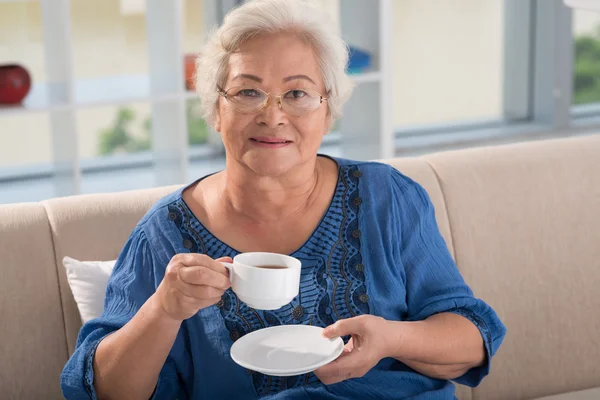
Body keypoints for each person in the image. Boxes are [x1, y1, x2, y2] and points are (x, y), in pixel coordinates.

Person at [60, 0, 506, 398]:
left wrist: (392, 339)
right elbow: (101, 391)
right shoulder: (166, 233)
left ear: (328, 110)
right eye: (248, 91)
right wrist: (162, 310)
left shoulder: (388, 199)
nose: (272, 115)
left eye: (297, 93)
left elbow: (472, 339)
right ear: (216, 109)